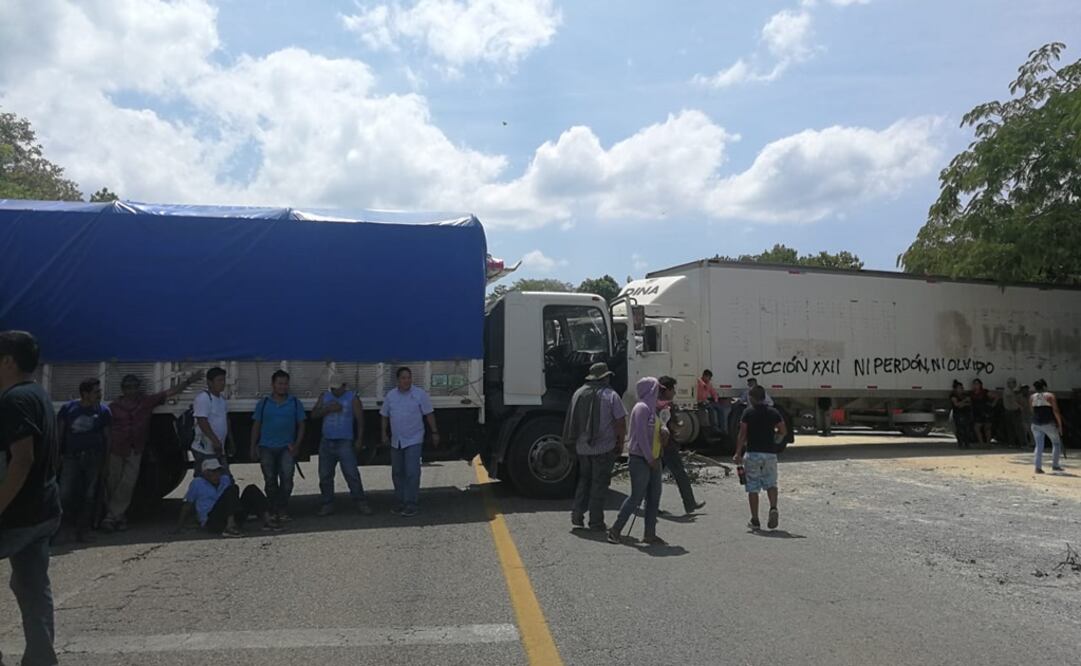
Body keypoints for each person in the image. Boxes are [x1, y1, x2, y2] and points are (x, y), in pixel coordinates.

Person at [0, 331, 62, 666]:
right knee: (32, 587)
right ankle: (41, 657)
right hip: (43, 509)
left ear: (8, 361)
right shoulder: (38, 393)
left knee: (31, 586)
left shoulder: (14, 400)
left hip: (16, 515)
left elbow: (22, 459)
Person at [103, 371, 202, 532]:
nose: (131, 391)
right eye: (128, 387)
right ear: (123, 389)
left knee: (128, 483)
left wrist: (189, 381)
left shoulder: (145, 403)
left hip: (135, 449)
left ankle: (112, 516)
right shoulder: (113, 407)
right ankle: (118, 516)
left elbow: (170, 392)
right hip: (117, 448)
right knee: (112, 482)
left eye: (134, 387)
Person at [563, 362, 626, 531]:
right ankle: (596, 521)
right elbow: (620, 421)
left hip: (582, 448)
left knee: (584, 481)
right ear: (605, 377)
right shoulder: (611, 395)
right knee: (599, 484)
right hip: (603, 448)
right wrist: (620, 443)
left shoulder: (579, 393)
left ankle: (577, 515)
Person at [608, 377, 667, 546]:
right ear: (650, 390)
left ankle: (650, 534)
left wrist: (664, 430)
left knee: (654, 497)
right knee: (636, 497)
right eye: (657, 388)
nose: (659, 392)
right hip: (641, 459)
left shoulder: (652, 409)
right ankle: (615, 530)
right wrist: (649, 458)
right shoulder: (641, 408)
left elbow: (658, 426)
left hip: (654, 458)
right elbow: (641, 436)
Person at [57, 378, 111, 542]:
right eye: (96, 392)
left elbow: (107, 438)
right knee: (65, 493)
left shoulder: (103, 411)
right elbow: (60, 434)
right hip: (71, 458)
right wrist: (57, 456)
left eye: (99, 391)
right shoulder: (68, 409)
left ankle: (84, 530)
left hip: (93, 458)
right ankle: (63, 529)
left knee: (89, 495)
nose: (99, 395)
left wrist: (106, 462)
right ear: (85, 394)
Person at [380, 367, 439, 518]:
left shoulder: (419, 394)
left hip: (414, 439)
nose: (407, 381)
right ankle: (400, 501)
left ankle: (411, 504)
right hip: (396, 440)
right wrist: (384, 433)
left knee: (412, 472)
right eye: (403, 378)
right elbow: (384, 415)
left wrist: (434, 432)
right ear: (397, 380)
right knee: (397, 472)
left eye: (409, 377)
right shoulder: (391, 395)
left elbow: (429, 414)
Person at [311, 373, 372, 516]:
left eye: (337, 388)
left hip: (345, 441)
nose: (334, 391)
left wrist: (359, 439)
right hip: (327, 441)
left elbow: (360, 420)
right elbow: (313, 414)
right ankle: (327, 503)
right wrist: (327, 409)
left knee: (351, 474)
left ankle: (360, 501)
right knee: (325, 475)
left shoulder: (352, 398)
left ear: (344, 386)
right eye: (332, 388)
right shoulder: (324, 396)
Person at [250, 370, 306, 522]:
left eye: (285, 383)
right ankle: (273, 509)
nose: (283, 386)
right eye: (280, 383)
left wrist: (297, 445)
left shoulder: (295, 403)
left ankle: (282, 508)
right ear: (273, 384)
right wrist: (252, 446)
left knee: (287, 479)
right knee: (270, 480)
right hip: (266, 447)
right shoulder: (264, 403)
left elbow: (302, 425)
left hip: (287, 448)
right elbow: (256, 425)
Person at [733, 384, 787, 532]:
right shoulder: (773, 412)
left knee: (753, 487)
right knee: (771, 484)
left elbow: (742, 434)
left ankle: (755, 520)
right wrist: (776, 438)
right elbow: (783, 430)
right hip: (770, 453)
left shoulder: (748, 413)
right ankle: (773, 508)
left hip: (753, 453)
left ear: (751, 398)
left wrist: (738, 453)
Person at [176, 459, 279, 537]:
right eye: (213, 471)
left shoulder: (225, 479)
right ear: (205, 473)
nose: (216, 474)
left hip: (230, 513)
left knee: (251, 489)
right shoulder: (197, 483)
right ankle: (230, 527)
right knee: (231, 490)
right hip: (212, 520)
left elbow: (232, 499)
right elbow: (187, 505)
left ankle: (267, 521)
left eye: (218, 471)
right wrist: (179, 527)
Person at [657, 376, 705, 515]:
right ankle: (689, 503)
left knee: (655, 476)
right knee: (680, 474)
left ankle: (651, 505)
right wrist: (679, 426)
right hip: (668, 445)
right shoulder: (668, 406)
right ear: (667, 390)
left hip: (656, 445)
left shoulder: (653, 403)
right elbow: (673, 425)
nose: (674, 392)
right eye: (673, 389)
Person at [191, 367, 230, 478]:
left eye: (223, 380)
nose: (222, 383)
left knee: (222, 478)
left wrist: (229, 441)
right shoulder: (203, 398)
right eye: (219, 380)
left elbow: (226, 420)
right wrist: (215, 441)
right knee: (204, 479)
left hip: (218, 449)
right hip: (204, 450)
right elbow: (202, 421)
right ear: (209, 382)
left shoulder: (222, 400)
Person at [1030, 379, 1065, 474]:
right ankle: (1055, 465)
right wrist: (1060, 424)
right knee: (1056, 443)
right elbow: (1055, 411)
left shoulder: (1032, 397)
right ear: (1045, 387)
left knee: (1039, 445)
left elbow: (1032, 410)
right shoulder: (1050, 396)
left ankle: (1038, 467)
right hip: (1048, 423)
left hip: (1035, 424)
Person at [1000, 378, 1027, 449]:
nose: (1014, 384)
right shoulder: (1008, 391)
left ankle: (1013, 443)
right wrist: (1020, 406)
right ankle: (1021, 443)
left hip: (1011, 411)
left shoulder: (1012, 391)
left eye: (1015, 382)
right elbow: (1013, 401)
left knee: (1012, 428)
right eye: (1013, 382)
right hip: (1012, 411)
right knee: (1016, 428)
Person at [970, 378, 995, 446]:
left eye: (977, 384)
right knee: (976, 428)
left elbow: (996, 397)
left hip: (986, 412)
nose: (975, 385)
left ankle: (988, 443)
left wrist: (993, 404)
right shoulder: (972, 393)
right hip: (978, 413)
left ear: (980, 385)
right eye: (974, 384)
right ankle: (981, 443)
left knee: (987, 428)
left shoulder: (985, 392)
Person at [949, 380, 973, 449]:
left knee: (967, 429)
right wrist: (964, 401)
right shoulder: (953, 396)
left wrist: (962, 403)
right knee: (960, 429)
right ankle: (960, 443)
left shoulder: (965, 395)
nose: (961, 389)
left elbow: (969, 403)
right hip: (958, 414)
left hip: (966, 413)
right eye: (959, 388)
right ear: (955, 389)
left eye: (962, 388)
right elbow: (957, 405)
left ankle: (967, 443)